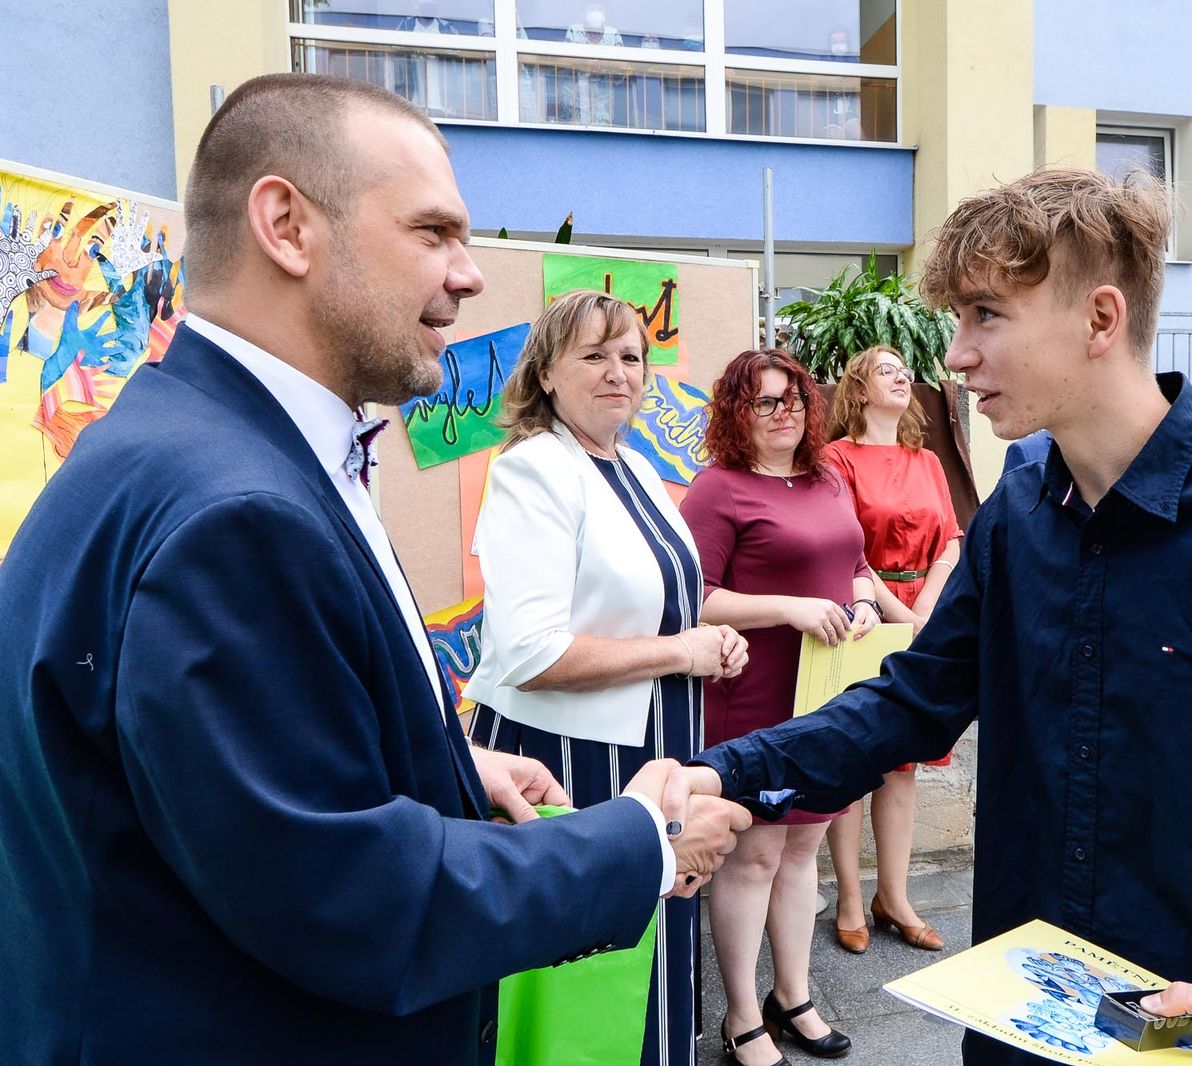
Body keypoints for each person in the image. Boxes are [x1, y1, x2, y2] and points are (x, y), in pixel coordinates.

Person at [677, 166, 1192, 1066]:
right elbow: (906, 704)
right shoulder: (1015, 518)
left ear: (1101, 320)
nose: (956, 355)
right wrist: (719, 775)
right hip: (1015, 1034)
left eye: (986, 315)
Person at [0, 73, 751, 1065]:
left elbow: (223, 777)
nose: (469, 275)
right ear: (287, 225)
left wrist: (449, 764)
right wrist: (639, 842)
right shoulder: (237, 513)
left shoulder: (198, 440)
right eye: (434, 234)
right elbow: (346, 896)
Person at [462, 288, 750, 1066]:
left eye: (631, 356)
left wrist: (711, 643)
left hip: (656, 753)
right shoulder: (533, 469)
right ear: (549, 374)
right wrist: (679, 654)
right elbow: (529, 652)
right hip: (568, 764)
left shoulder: (635, 465)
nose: (619, 372)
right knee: (583, 996)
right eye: (595, 355)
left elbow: (658, 608)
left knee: (649, 974)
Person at [680, 348, 873, 1065]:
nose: (784, 410)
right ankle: (739, 1015)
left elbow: (854, 561)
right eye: (765, 401)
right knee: (753, 857)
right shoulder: (717, 489)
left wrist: (857, 598)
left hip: (826, 690)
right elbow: (694, 597)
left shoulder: (825, 477)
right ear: (738, 413)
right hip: (754, 694)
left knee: (805, 851)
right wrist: (788, 608)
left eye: (793, 397)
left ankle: (792, 995)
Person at [821, 345, 963, 956]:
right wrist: (903, 615)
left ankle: (895, 896)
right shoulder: (836, 458)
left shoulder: (927, 460)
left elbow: (951, 540)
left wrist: (928, 608)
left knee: (903, 764)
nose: (904, 375)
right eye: (888, 369)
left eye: (905, 369)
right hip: (863, 612)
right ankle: (852, 898)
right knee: (856, 759)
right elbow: (844, 545)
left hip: (920, 614)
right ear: (857, 389)